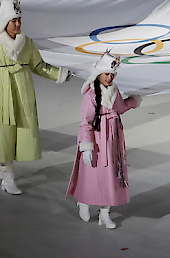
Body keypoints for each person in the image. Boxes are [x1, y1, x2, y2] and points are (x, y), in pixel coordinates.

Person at [0, 0, 70, 194]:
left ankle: (8, 172)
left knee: (22, 132)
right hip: (0, 96)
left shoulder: (27, 43)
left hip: (22, 93)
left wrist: (59, 74)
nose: (17, 24)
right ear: (5, 22)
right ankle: (6, 175)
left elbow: (39, 66)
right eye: (14, 20)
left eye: (19, 20)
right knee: (3, 134)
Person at [66, 51, 142, 229]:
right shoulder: (91, 96)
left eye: (112, 74)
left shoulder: (114, 91)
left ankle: (104, 213)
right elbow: (86, 122)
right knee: (91, 173)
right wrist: (86, 146)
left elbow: (121, 108)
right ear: (98, 74)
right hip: (97, 139)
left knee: (111, 175)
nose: (109, 77)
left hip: (112, 139)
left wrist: (134, 101)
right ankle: (84, 201)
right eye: (106, 74)